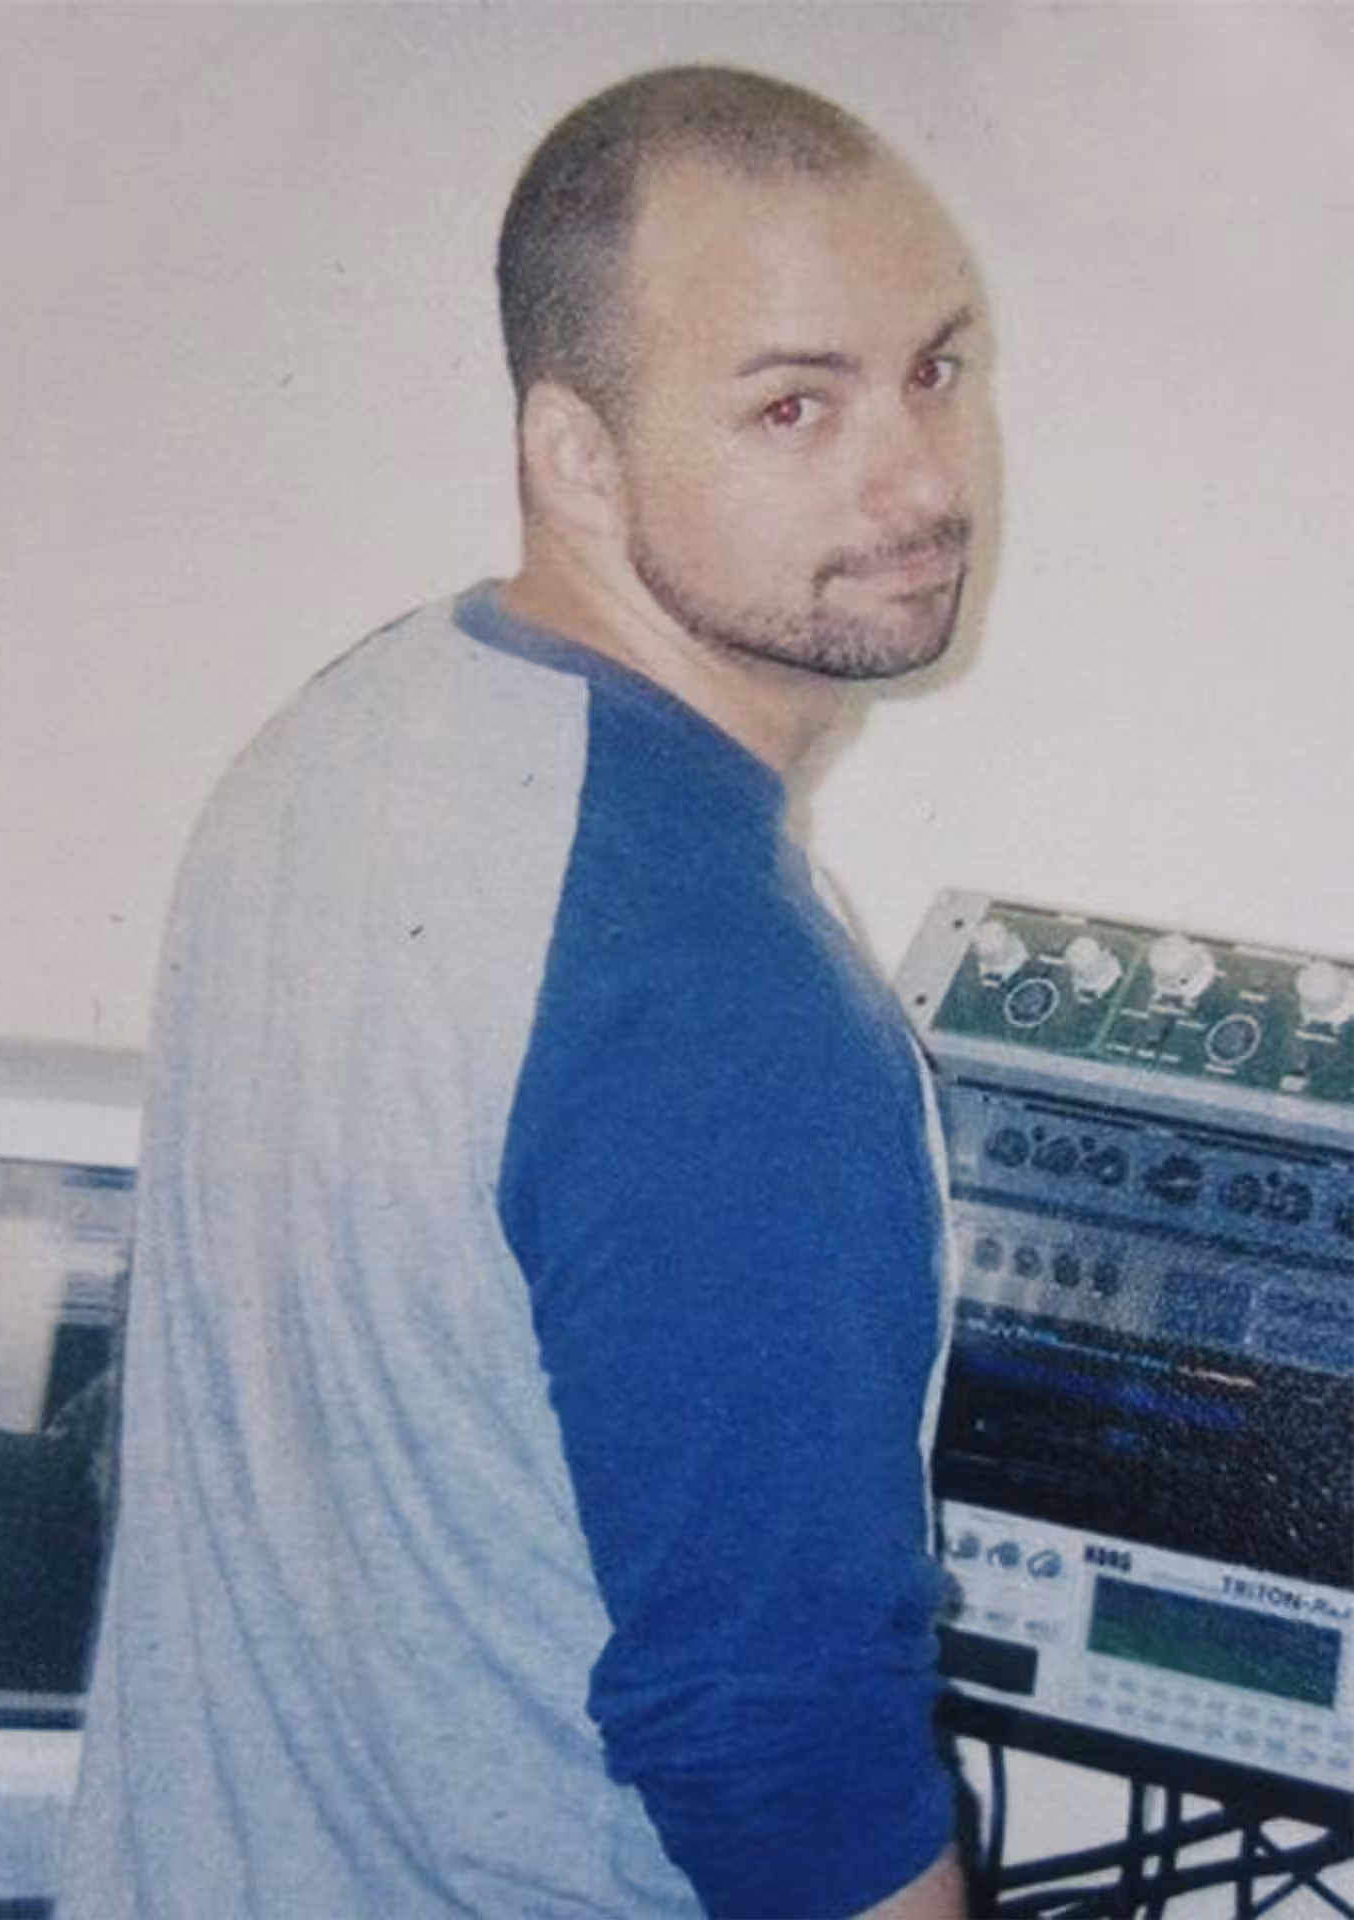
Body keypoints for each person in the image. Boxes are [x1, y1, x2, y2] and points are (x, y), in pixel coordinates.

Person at [59, 63, 989, 1920]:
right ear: (575, 456)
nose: (916, 476)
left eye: (938, 370)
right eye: (795, 403)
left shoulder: (349, 722)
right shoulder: (722, 991)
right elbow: (785, 1760)